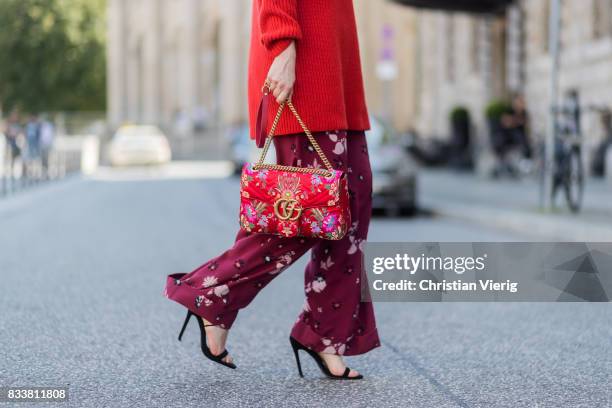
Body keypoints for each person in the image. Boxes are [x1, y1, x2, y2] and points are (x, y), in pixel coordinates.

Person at [164, 0, 379, 379]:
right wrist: (283, 45)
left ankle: (323, 333)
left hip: (338, 75)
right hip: (306, 77)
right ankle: (211, 294)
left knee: (350, 214)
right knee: (301, 215)